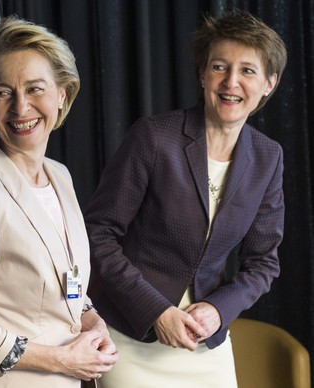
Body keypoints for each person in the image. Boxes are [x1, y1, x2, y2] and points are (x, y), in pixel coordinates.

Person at [84, 10, 287, 387]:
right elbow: (98, 235)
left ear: (269, 84)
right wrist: (156, 310)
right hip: (132, 333)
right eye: (219, 66)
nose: (231, 82)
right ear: (202, 74)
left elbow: (263, 263)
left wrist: (217, 309)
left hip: (204, 339)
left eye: (247, 71)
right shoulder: (154, 137)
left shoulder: (268, 157)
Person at [0, 16, 118, 387]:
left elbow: (65, 285)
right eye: (3, 93)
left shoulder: (59, 176)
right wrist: (63, 360)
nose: (21, 108)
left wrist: (92, 320)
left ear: (62, 93)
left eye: (35, 89)